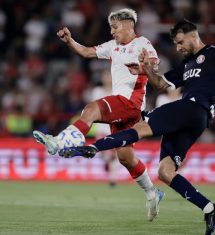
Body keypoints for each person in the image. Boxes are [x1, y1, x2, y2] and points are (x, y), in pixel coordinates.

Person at [59, 19, 215, 234]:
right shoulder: (187, 66)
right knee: (165, 172)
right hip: (194, 121)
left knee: (141, 125)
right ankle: (210, 208)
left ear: (193, 35)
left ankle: (91, 148)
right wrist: (147, 70)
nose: (178, 48)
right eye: (176, 44)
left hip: (193, 108)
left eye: (180, 42)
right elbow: (161, 85)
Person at [32, 8, 164, 221]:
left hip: (129, 102)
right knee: (125, 157)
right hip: (124, 108)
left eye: (115, 27)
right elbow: (86, 52)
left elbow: (154, 64)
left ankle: (58, 142)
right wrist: (70, 41)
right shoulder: (112, 47)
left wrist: (142, 66)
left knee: (91, 109)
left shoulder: (142, 43)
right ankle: (152, 192)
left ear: (129, 24)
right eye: (110, 27)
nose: (112, 31)